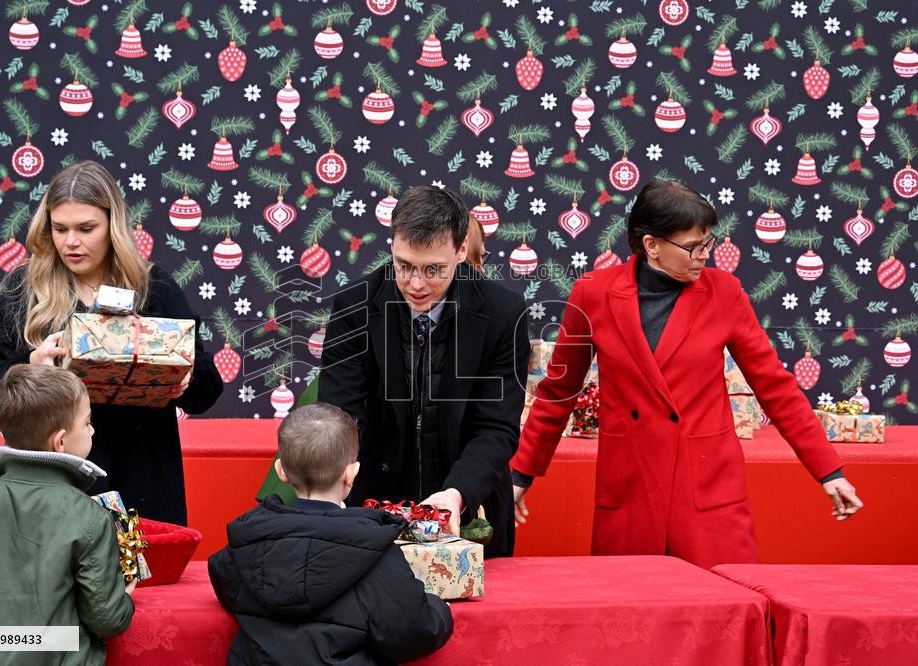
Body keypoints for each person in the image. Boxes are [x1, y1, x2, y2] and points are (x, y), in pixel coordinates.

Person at [513, 180, 863, 569]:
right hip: (630, 494)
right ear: (652, 246)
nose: (703, 257)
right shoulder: (593, 293)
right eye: (693, 247)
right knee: (634, 618)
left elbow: (775, 387)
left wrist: (828, 471)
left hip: (707, 495)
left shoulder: (725, 292)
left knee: (723, 616)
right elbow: (558, 391)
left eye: (707, 244)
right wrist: (521, 475)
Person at [0, 160, 223, 526]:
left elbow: (207, 389)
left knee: (138, 583)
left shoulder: (154, 289)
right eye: (60, 228)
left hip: (142, 479)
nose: (71, 242)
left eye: (86, 228)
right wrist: (28, 369)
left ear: (112, 226)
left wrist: (183, 378)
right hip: (49, 486)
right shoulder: (23, 290)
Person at [318, 185, 529, 558]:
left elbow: (495, 429)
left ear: (462, 250)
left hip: (470, 510)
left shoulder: (503, 314)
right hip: (371, 513)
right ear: (392, 246)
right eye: (404, 266)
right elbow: (340, 414)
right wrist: (331, 487)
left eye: (433, 269)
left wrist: (457, 494)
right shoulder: (355, 306)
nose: (416, 284)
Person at [208, 403, 453, 665]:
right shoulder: (374, 551)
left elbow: (223, 577)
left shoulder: (249, 540)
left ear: (280, 472)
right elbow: (413, 632)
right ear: (351, 473)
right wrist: (439, 609)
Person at [0, 364, 135, 665]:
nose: (93, 430)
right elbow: (107, 618)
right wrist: (126, 593)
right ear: (60, 441)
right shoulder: (88, 516)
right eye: (87, 422)